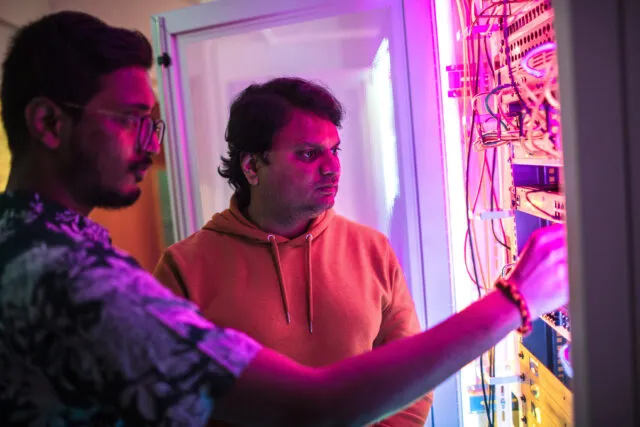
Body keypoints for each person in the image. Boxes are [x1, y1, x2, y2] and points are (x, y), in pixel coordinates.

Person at [0, 10, 569, 427]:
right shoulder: (78, 278)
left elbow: (405, 394)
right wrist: (515, 299)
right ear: (49, 124)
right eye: (130, 120)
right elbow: (307, 405)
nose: (150, 147)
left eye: (154, 124)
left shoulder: (34, 243)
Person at [152, 77, 432, 427]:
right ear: (252, 167)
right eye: (309, 153)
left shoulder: (372, 249)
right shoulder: (183, 269)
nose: (332, 167)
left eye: (335, 150)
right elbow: (167, 402)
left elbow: (411, 376)